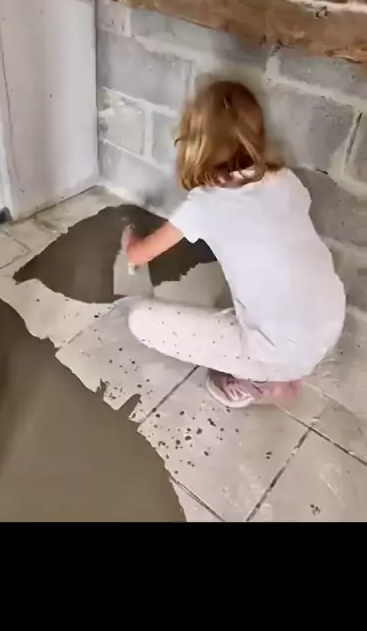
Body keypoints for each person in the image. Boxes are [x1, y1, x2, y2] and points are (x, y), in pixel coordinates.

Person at [123, 80, 346, 409]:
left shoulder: (205, 204)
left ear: (196, 144)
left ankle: (261, 382)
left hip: (282, 353)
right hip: (329, 321)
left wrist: (129, 237)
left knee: (140, 320)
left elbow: (138, 254)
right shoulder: (286, 179)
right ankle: (286, 365)